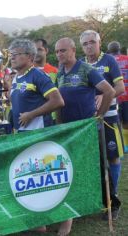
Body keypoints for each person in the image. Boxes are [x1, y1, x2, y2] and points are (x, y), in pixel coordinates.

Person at [55, 37, 116, 235]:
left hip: (88, 129)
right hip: (68, 130)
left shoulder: (86, 69)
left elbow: (109, 91)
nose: (59, 54)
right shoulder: (60, 72)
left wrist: (99, 116)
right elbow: (59, 101)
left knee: (99, 167)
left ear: (73, 50)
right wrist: (58, 125)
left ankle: (111, 204)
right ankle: (80, 205)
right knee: (72, 168)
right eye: (57, 52)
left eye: (63, 50)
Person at [80, 30, 124, 219]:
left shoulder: (109, 61)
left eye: (92, 42)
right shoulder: (80, 64)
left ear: (99, 43)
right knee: (93, 160)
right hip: (89, 120)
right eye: (85, 44)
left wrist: (103, 96)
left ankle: (113, 198)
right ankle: (100, 197)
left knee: (112, 157)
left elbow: (120, 88)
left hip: (109, 117)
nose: (89, 46)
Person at [8, 39, 64, 132]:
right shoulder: (16, 76)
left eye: (16, 54)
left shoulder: (38, 75)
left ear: (30, 56)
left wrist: (31, 115)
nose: (12, 58)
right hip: (21, 133)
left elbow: (58, 101)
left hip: (38, 133)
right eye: (11, 55)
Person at [107, 41, 128, 153]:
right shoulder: (126, 58)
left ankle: (119, 145)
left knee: (115, 123)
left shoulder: (108, 60)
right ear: (119, 48)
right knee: (126, 122)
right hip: (126, 96)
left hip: (114, 97)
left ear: (109, 50)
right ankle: (126, 145)